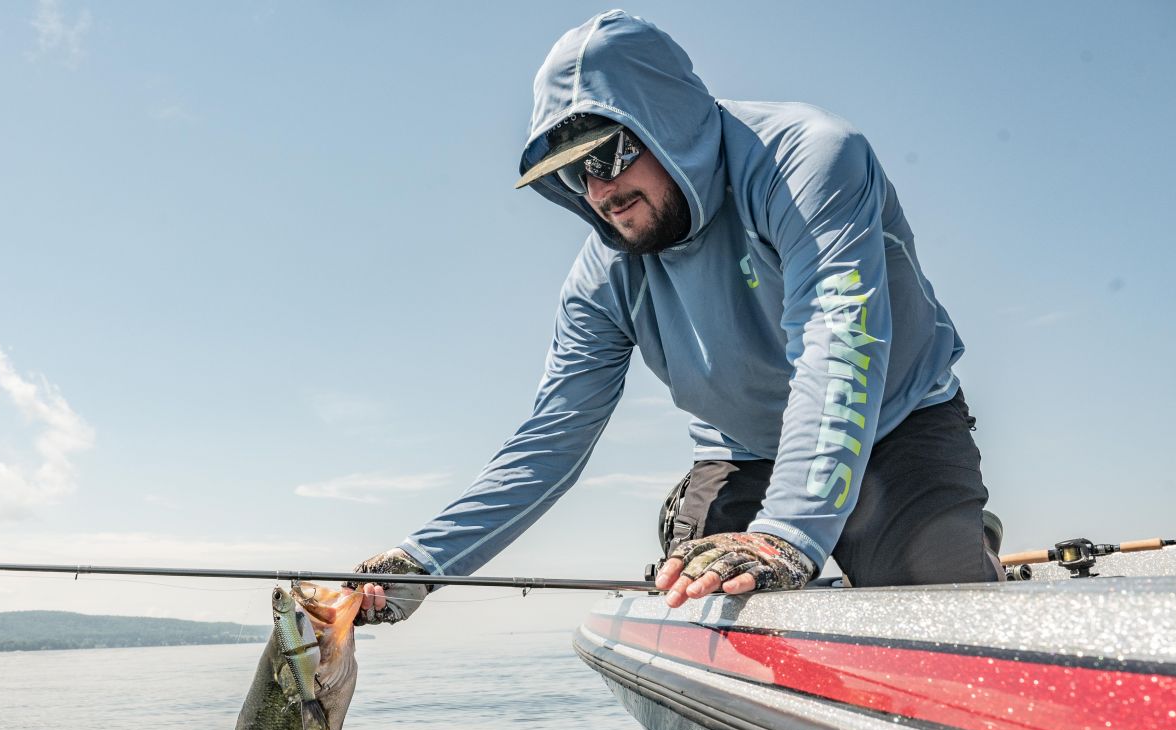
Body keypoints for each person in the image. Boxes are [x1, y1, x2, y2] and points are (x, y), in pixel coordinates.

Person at [352, 10, 1000, 624]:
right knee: (692, 608)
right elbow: (552, 438)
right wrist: (423, 561)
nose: (600, 191)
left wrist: (786, 535)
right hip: (741, 454)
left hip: (896, 424)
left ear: (668, 120)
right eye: (575, 172)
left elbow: (839, 347)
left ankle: (963, 544)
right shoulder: (603, 275)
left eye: (607, 154)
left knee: (947, 627)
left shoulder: (808, 160)